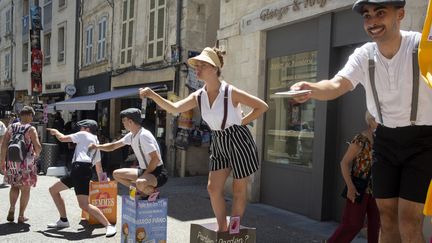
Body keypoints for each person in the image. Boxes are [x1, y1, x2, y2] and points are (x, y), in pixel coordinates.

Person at [291, 1, 431, 242]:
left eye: (380, 13)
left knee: (409, 220)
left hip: (423, 140)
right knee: (386, 218)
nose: (372, 21)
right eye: (367, 16)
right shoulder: (365, 54)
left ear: (400, 14)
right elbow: (337, 84)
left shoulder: (422, 46)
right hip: (385, 140)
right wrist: (311, 88)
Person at [139, 47, 268, 231]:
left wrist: (241, 122)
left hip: (239, 139)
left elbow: (262, 106)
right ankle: (223, 230)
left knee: (239, 190)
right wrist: (152, 94)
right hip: (219, 140)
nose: (197, 68)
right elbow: (174, 108)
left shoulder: (231, 92)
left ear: (214, 68)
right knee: (213, 189)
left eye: (202, 65)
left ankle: (234, 230)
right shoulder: (199, 96)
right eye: (196, 65)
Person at [46, 119, 116, 237]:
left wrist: (56, 132)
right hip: (80, 170)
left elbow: (62, 138)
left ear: (87, 129)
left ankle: (108, 225)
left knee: (84, 205)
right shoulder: (96, 142)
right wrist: (103, 183)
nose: (79, 130)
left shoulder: (84, 135)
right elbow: (98, 167)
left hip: (80, 169)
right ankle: (63, 220)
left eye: (82, 127)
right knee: (53, 190)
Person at [89, 108, 168, 196]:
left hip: (158, 172)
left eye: (124, 120)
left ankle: (152, 193)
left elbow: (155, 159)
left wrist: (144, 175)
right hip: (144, 170)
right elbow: (113, 146)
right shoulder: (131, 135)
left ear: (130, 121)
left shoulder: (144, 135)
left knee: (140, 182)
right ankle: (141, 192)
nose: (122, 123)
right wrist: (97, 147)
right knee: (116, 174)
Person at [328, 111, 380, 243]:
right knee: (353, 224)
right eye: (377, 119)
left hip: (377, 191)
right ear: (370, 120)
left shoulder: (381, 140)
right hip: (359, 189)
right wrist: (350, 187)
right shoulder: (360, 139)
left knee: (376, 226)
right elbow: (344, 163)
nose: (380, 122)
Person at [0, 106, 42, 223]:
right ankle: (21, 215)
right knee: (25, 189)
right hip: (26, 163)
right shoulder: (30, 129)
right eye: (32, 116)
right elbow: (37, 146)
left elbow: (4, 145)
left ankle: (12, 208)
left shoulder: (11, 127)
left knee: (14, 186)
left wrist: (2, 161)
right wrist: (36, 155)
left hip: (12, 161)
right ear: (29, 115)